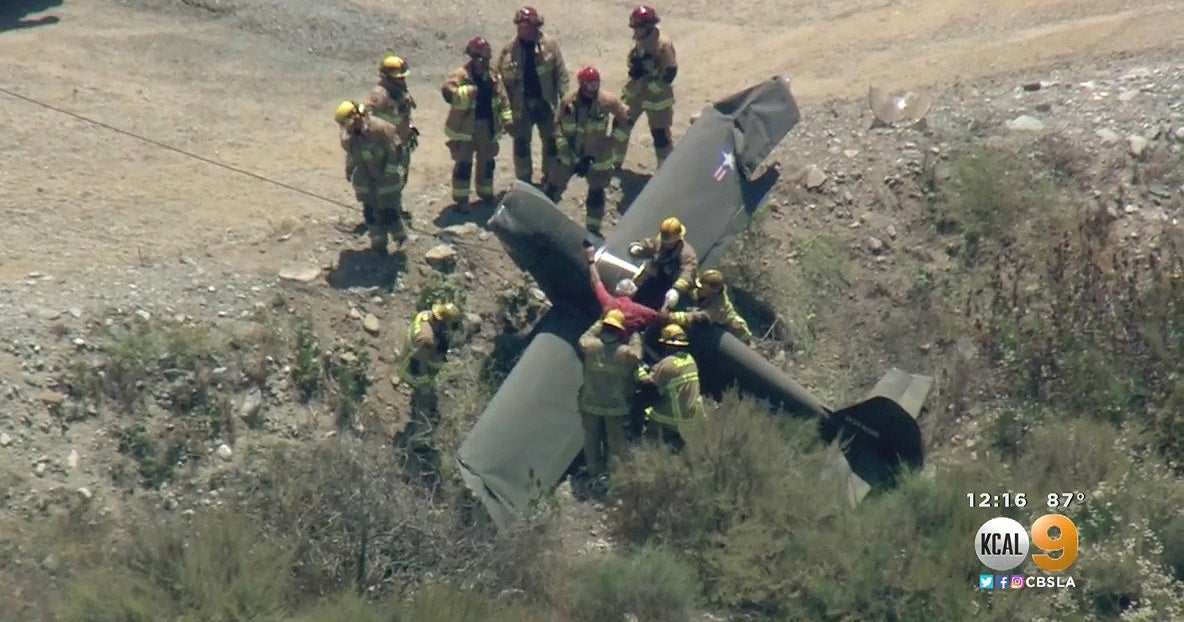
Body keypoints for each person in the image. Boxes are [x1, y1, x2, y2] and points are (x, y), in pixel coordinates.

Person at [543, 65, 633, 234]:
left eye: (596, 85)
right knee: (553, 187)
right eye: (589, 86)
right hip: (570, 154)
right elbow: (557, 126)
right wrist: (563, 148)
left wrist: (612, 141)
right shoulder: (568, 102)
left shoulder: (608, 101)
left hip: (597, 158)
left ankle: (593, 231)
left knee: (596, 194)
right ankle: (540, 220)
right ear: (581, 85)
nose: (593, 90)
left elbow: (626, 121)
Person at [496, 6, 569, 185]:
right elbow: (499, 84)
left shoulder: (550, 46)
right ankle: (524, 180)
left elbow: (561, 75)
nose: (522, 30)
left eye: (526, 26)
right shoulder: (508, 50)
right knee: (521, 144)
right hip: (521, 106)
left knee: (551, 142)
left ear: (536, 26)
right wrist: (506, 113)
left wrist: (566, 101)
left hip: (545, 102)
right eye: (519, 26)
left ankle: (550, 179)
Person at [441, 37, 514, 210]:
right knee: (464, 164)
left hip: (487, 126)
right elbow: (447, 91)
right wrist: (466, 92)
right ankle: (461, 200)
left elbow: (503, 99)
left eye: (486, 58)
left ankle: (485, 194)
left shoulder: (493, 76)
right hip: (465, 128)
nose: (484, 61)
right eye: (481, 57)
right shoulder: (461, 74)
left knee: (487, 162)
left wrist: (507, 119)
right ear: (473, 57)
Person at [396, 302, 464, 477]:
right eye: (452, 325)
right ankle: (419, 442)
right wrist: (424, 387)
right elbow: (417, 363)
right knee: (426, 408)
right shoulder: (427, 340)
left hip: (414, 362)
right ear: (443, 322)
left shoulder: (425, 315)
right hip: (414, 372)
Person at [577, 309, 643, 480]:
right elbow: (638, 354)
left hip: (590, 403)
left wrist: (600, 321)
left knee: (591, 441)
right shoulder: (624, 353)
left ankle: (594, 475)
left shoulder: (591, 347)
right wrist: (635, 334)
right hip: (615, 407)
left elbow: (583, 338)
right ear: (620, 331)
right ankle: (614, 477)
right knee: (616, 445)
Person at [335, 100, 408, 254]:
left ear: (357, 118)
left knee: (389, 211)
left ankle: (401, 239)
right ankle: (378, 243)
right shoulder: (350, 135)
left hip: (386, 178)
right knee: (370, 211)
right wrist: (350, 168)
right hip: (365, 179)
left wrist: (389, 174)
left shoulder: (381, 129)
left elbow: (395, 152)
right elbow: (351, 152)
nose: (347, 129)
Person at [618, 5, 678, 169]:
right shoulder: (639, 41)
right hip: (636, 93)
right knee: (621, 125)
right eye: (634, 27)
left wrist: (650, 82)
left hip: (658, 99)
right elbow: (633, 60)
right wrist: (634, 67)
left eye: (638, 27)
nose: (635, 31)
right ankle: (614, 165)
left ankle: (666, 170)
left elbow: (669, 74)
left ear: (649, 26)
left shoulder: (663, 44)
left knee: (660, 136)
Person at [635, 324, 705, 447]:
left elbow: (647, 383)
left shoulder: (667, 365)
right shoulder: (690, 360)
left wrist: (638, 369)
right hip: (691, 416)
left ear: (666, 345)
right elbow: (665, 366)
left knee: (649, 435)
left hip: (672, 418)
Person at [368, 55, 419, 221]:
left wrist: (409, 128)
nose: (402, 80)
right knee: (386, 180)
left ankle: (395, 207)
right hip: (386, 145)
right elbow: (370, 121)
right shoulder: (379, 96)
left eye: (403, 77)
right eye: (398, 77)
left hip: (401, 142)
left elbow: (403, 115)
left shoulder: (400, 91)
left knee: (400, 176)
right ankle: (380, 211)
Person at [662, 269, 754, 343]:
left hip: (729, 327)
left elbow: (696, 317)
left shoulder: (718, 307)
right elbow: (688, 279)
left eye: (703, 289)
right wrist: (676, 290)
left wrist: (670, 317)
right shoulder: (703, 286)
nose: (699, 290)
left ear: (713, 291)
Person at [627, 216, 698, 311]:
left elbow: (688, 272)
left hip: (669, 288)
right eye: (664, 242)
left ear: (678, 239)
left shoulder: (687, 253)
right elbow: (648, 245)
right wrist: (636, 248)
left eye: (669, 243)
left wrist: (676, 290)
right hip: (651, 281)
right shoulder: (659, 242)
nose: (665, 244)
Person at [585, 244, 661, 332]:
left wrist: (591, 259)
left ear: (617, 291)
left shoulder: (608, 302)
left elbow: (596, 281)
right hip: (624, 340)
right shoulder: (639, 310)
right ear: (633, 293)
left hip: (605, 334)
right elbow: (660, 317)